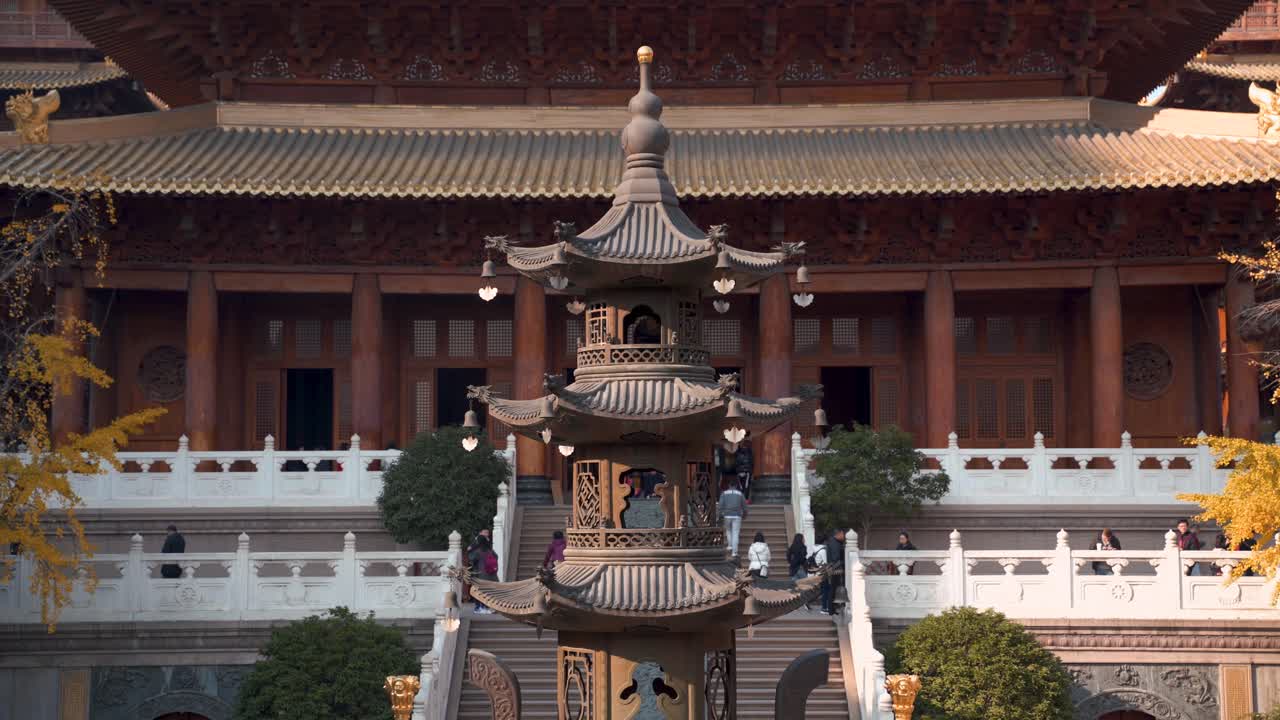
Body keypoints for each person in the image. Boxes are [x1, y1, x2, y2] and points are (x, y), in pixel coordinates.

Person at [820, 529, 846, 615]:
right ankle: (831, 609)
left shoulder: (831, 542)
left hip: (832, 569)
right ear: (838, 534)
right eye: (843, 534)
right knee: (833, 589)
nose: (844, 536)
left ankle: (831, 609)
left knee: (833, 589)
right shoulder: (835, 543)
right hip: (835, 570)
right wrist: (842, 561)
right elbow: (836, 558)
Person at [719, 480, 748, 558]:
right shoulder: (740, 494)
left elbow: (720, 505)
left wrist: (720, 514)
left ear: (729, 485)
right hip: (737, 515)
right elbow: (745, 506)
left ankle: (730, 545)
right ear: (736, 486)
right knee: (735, 533)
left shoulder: (724, 493)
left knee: (728, 530)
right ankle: (734, 552)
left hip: (727, 515)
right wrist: (745, 514)